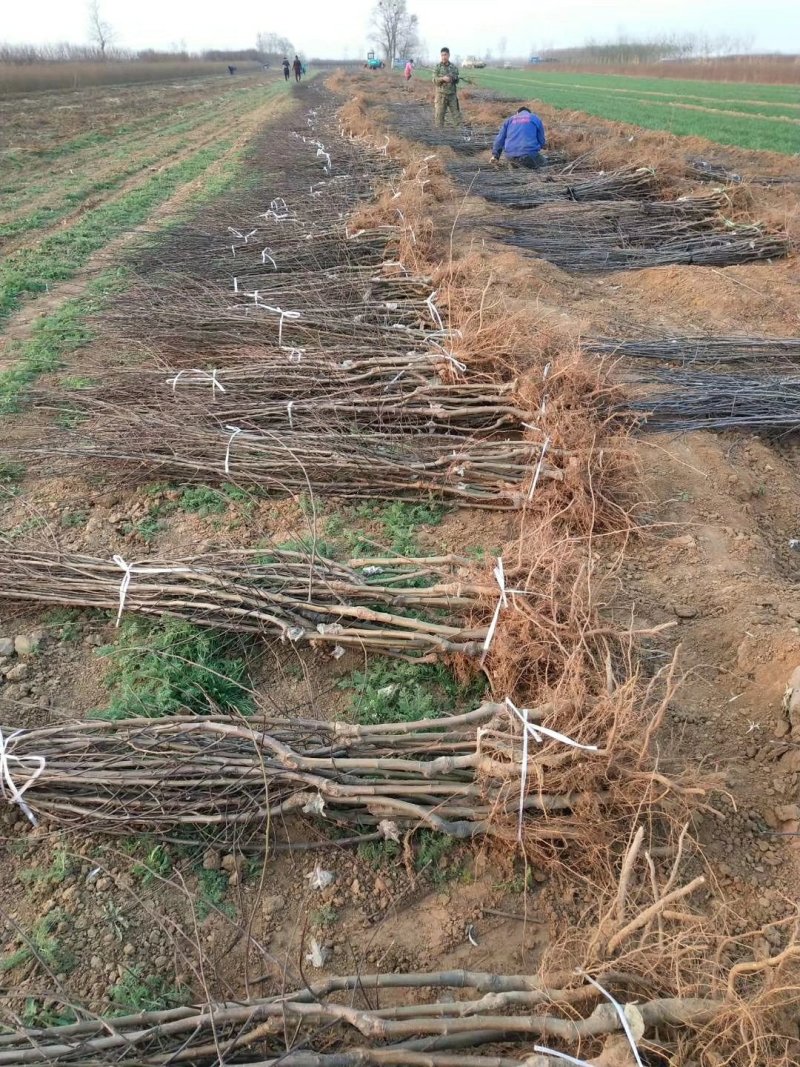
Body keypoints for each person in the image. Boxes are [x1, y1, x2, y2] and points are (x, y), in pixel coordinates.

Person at [432, 47, 460, 127]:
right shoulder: (437, 67)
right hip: (441, 96)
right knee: (439, 118)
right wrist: (442, 79)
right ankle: (440, 137)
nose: (444, 57)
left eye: (445, 55)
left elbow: (457, 80)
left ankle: (459, 136)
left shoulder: (454, 67)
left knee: (457, 117)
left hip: (452, 96)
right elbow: (434, 80)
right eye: (442, 55)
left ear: (449, 55)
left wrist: (452, 78)